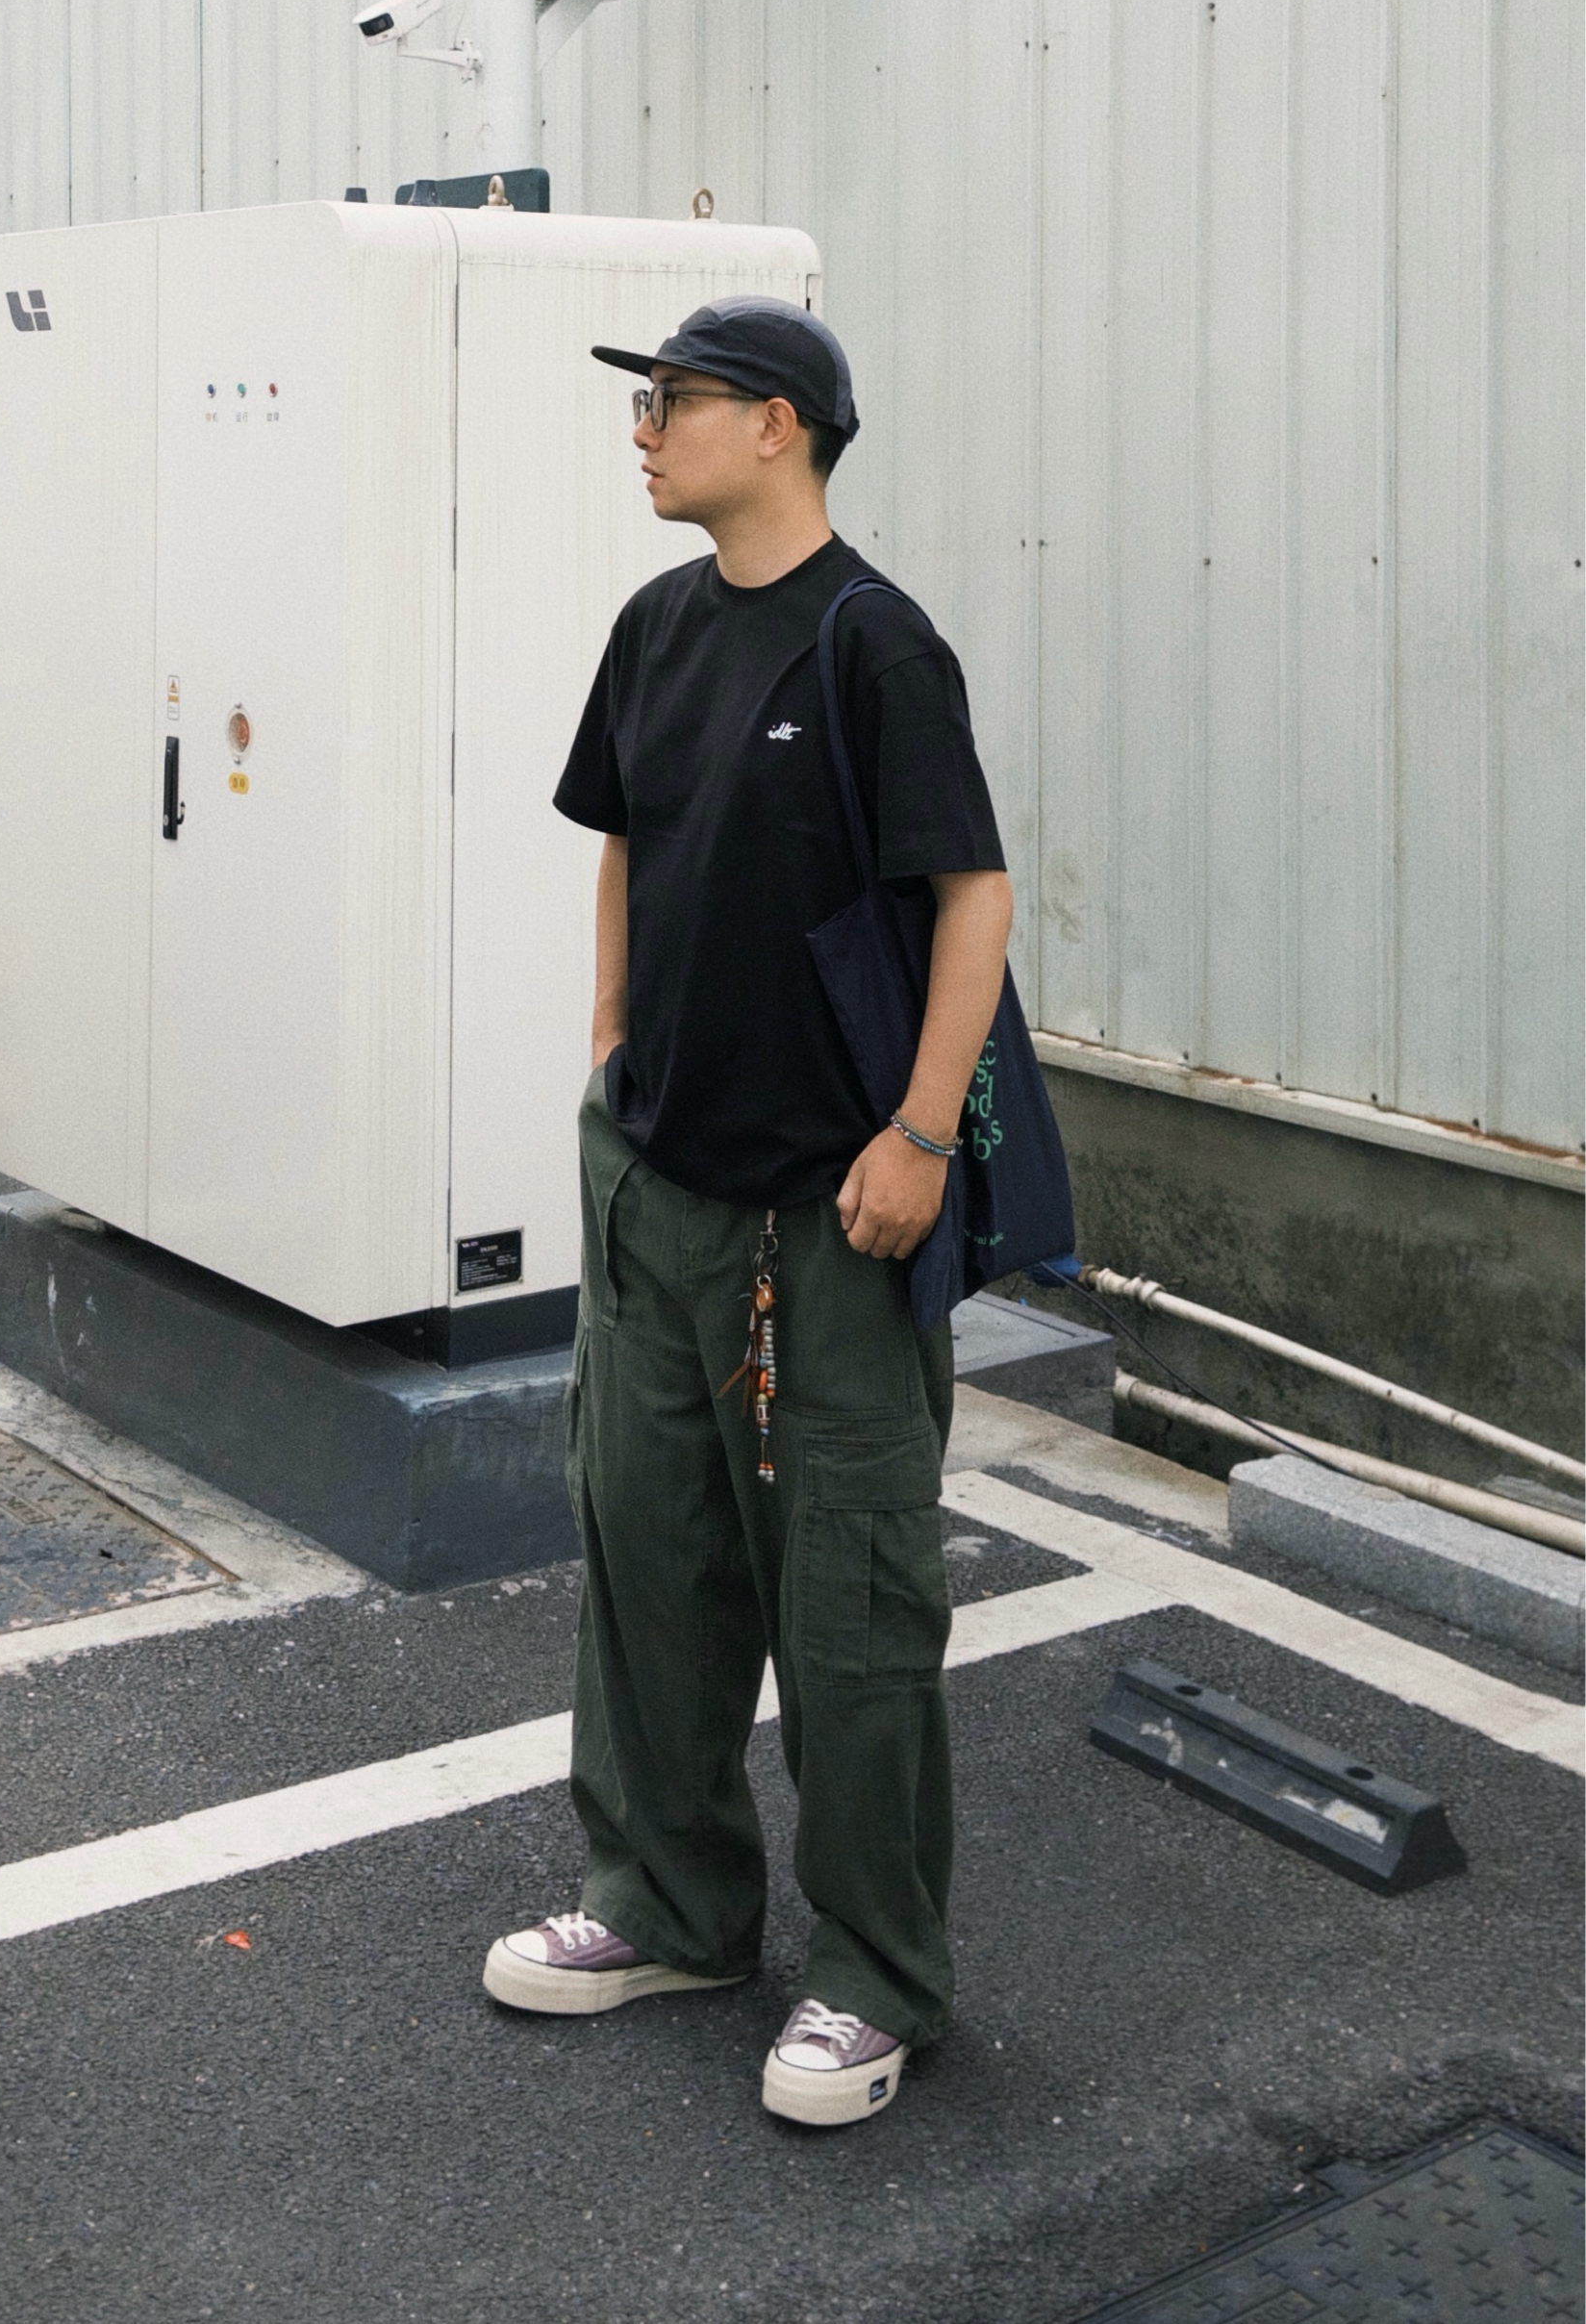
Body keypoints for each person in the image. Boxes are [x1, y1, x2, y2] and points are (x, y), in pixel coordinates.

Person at [481, 297, 1014, 2128]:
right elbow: (626, 836)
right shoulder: (656, 625)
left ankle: (876, 1973)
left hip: (831, 1220)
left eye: (672, 400)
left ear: (778, 423)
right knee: (650, 1562)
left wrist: (920, 1135)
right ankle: (671, 1906)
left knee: (850, 1603)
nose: (643, 429)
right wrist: (611, 1042)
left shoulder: (878, 643)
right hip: (659, 1190)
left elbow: (973, 893)